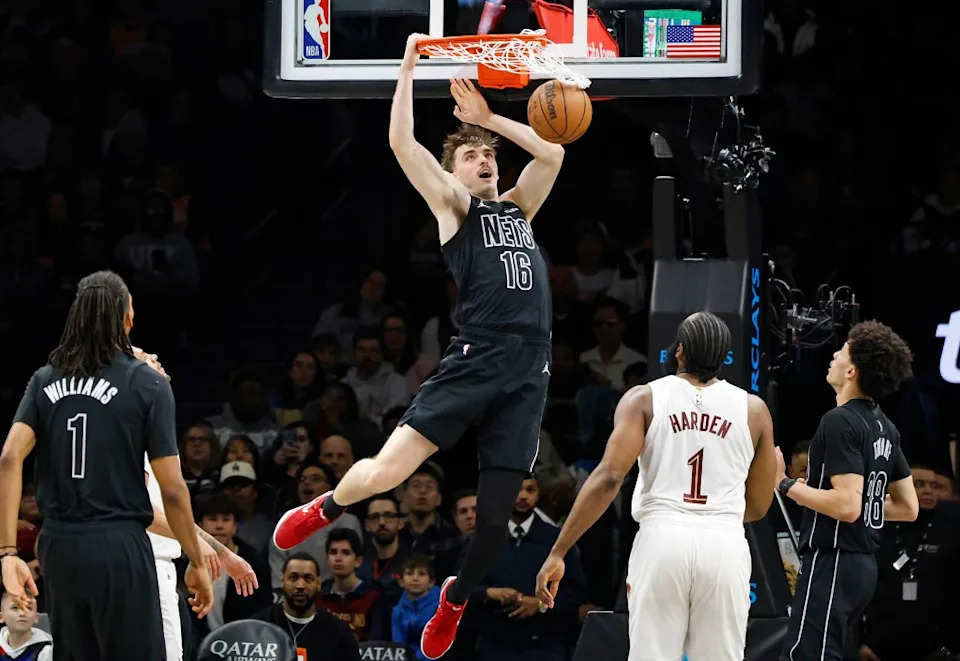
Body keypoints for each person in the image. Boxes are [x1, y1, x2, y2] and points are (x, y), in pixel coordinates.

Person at [273, 32, 565, 659]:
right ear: (455, 173)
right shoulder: (456, 210)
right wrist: (409, 62)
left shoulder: (519, 208)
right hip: (476, 356)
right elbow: (402, 143)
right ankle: (328, 504)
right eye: (472, 156)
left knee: (493, 521)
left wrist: (489, 119)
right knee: (385, 472)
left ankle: (454, 599)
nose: (485, 159)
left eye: (488, 154)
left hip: (528, 369)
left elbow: (552, 154)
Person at [536, 312, 779, 661]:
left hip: (662, 537)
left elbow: (607, 478)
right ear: (725, 356)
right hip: (723, 540)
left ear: (678, 351)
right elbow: (756, 507)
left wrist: (559, 551)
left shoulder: (643, 398)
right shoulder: (754, 410)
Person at [0, 270, 213, 661]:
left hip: (59, 545)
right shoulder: (149, 382)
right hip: (118, 545)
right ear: (128, 320)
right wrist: (196, 559)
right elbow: (172, 490)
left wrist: (8, 552)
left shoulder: (44, 379)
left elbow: (10, 457)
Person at [773, 320, 919, 661]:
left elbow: (847, 506)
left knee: (805, 656)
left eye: (841, 352)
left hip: (834, 559)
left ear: (851, 370)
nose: (833, 356)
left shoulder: (839, 420)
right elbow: (907, 507)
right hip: (863, 567)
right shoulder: (885, 426)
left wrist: (785, 482)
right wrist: (830, 496)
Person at [137, 351, 260, 661]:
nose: (154, 355)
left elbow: (169, 514)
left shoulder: (158, 440)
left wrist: (221, 552)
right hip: (135, 570)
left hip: (157, 569)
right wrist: (200, 547)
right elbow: (137, 509)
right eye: (143, 357)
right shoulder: (129, 436)